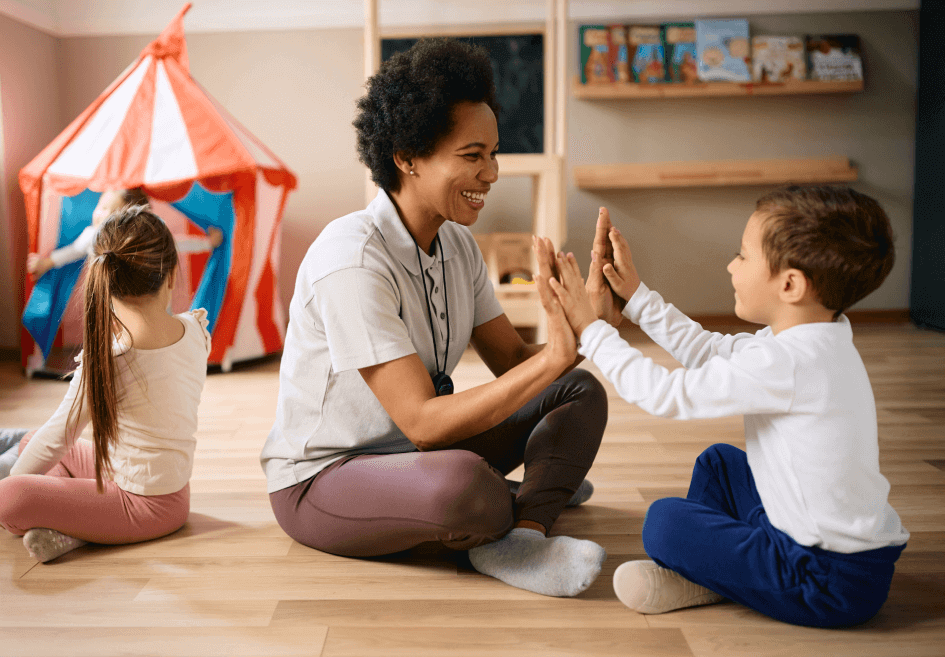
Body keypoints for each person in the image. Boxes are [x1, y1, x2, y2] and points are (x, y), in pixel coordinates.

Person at [260, 38, 624, 598]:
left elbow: (512, 362)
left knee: (578, 389)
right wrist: (554, 361)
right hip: (324, 478)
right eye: (472, 156)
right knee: (464, 488)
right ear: (408, 156)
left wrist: (589, 328)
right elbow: (424, 422)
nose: (492, 173)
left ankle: (522, 533)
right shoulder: (351, 257)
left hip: (417, 454)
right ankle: (526, 494)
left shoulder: (456, 246)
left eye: (494, 154)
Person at [542, 185, 910, 627]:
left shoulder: (789, 361)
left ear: (790, 284)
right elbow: (710, 351)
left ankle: (709, 574)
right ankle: (719, 571)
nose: (730, 265)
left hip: (826, 581)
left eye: (742, 256)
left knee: (664, 522)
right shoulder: (815, 337)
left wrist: (591, 330)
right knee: (719, 464)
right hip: (835, 557)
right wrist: (638, 298)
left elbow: (664, 394)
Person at [0, 205, 212, 562]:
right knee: (33, 443)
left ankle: (80, 524)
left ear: (104, 281)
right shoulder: (195, 330)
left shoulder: (109, 360)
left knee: (10, 498)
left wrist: (13, 486)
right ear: (171, 273)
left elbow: (60, 435)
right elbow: (54, 439)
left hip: (144, 506)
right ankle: (78, 525)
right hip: (169, 493)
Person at [26, 187, 224, 281]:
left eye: (112, 212)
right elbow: (72, 252)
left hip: (145, 291)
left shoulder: (143, 237)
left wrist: (207, 243)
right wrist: (46, 263)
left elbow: (176, 244)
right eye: (102, 206)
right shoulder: (92, 235)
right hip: (108, 292)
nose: (102, 214)